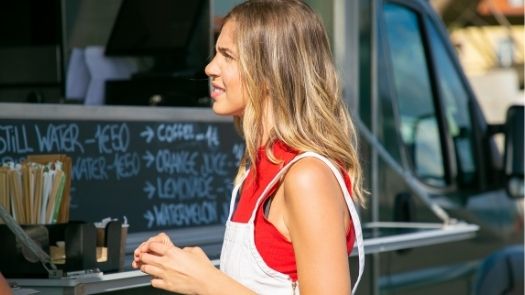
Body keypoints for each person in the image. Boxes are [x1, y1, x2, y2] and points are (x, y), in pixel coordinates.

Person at [132, 0, 366, 294]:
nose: (209, 68)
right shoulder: (255, 166)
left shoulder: (307, 176)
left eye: (227, 56)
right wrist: (194, 269)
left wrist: (207, 283)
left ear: (270, 72)